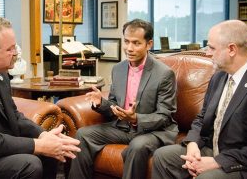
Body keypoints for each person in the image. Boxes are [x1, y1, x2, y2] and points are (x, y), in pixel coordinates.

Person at [0, 17, 81, 179]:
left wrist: (43, 135)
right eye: (10, 49)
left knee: (51, 153)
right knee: (29, 164)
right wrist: (38, 145)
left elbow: (13, 116)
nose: (15, 53)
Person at [69, 19, 178, 179]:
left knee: (137, 146)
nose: (129, 48)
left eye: (136, 43)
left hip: (153, 131)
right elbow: (113, 106)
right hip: (123, 128)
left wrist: (136, 118)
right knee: (82, 135)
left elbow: (164, 116)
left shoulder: (164, 74)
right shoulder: (118, 69)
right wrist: (101, 103)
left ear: (149, 44)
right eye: (126, 41)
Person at [152, 20, 247, 179]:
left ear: (232, 49)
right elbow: (202, 117)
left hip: (242, 162)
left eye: (212, 48)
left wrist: (218, 162)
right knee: (163, 157)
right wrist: (192, 143)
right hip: (210, 149)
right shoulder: (219, 76)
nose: (207, 53)